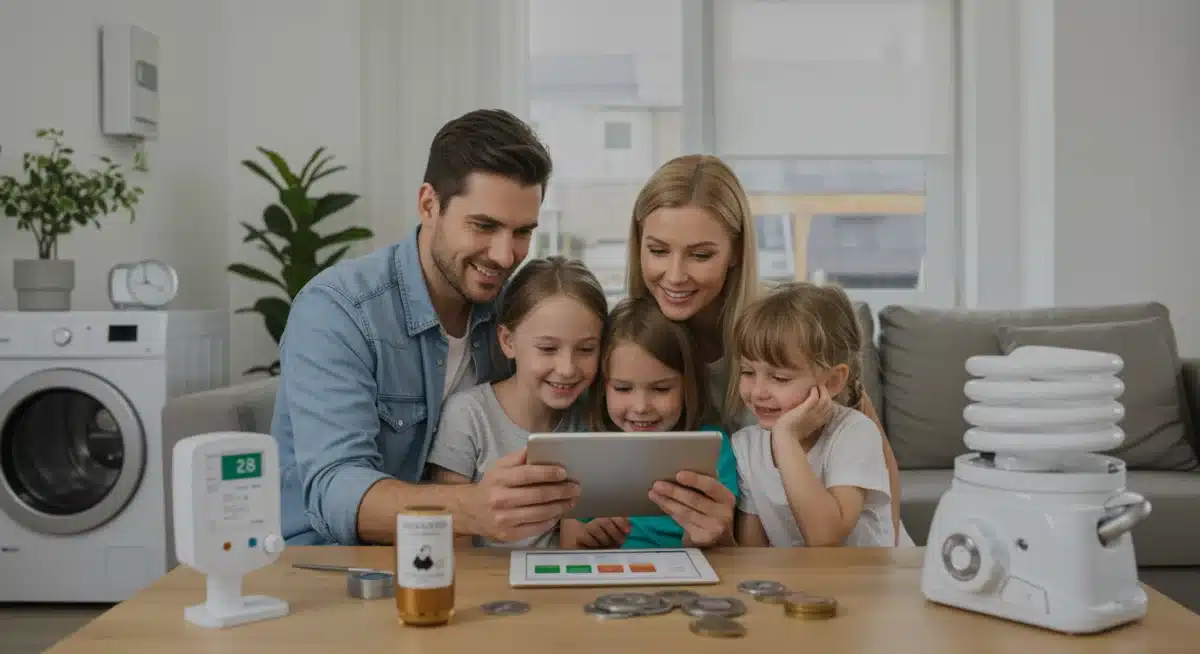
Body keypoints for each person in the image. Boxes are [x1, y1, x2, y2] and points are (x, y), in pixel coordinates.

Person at [271, 108, 582, 546]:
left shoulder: (510, 311)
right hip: (336, 567)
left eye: (522, 232)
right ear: (428, 205)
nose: (505, 255)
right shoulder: (338, 310)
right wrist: (470, 508)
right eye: (484, 226)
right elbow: (335, 490)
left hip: (467, 564)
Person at [624, 153, 904, 544]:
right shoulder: (634, 340)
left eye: (700, 255)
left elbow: (874, 456)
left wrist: (882, 564)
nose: (674, 275)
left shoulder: (778, 327)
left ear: (736, 251)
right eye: (657, 251)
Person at [425, 257, 609, 549]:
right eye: (548, 348)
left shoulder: (591, 417)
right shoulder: (469, 416)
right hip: (486, 585)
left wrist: (595, 535)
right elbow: (452, 536)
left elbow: (574, 540)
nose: (567, 368)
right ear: (508, 341)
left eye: (586, 349)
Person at [730, 282, 912, 547]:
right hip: (810, 585)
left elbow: (825, 538)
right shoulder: (746, 446)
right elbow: (753, 557)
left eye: (780, 378)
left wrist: (786, 439)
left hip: (875, 584)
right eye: (747, 372)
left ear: (832, 381)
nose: (758, 391)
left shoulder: (854, 433)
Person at [559, 296, 739, 550]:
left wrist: (703, 538)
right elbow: (570, 545)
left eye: (661, 388)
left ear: (688, 387)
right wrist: (590, 539)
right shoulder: (586, 450)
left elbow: (725, 546)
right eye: (622, 388)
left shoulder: (713, 449)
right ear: (603, 388)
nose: (641, 407)